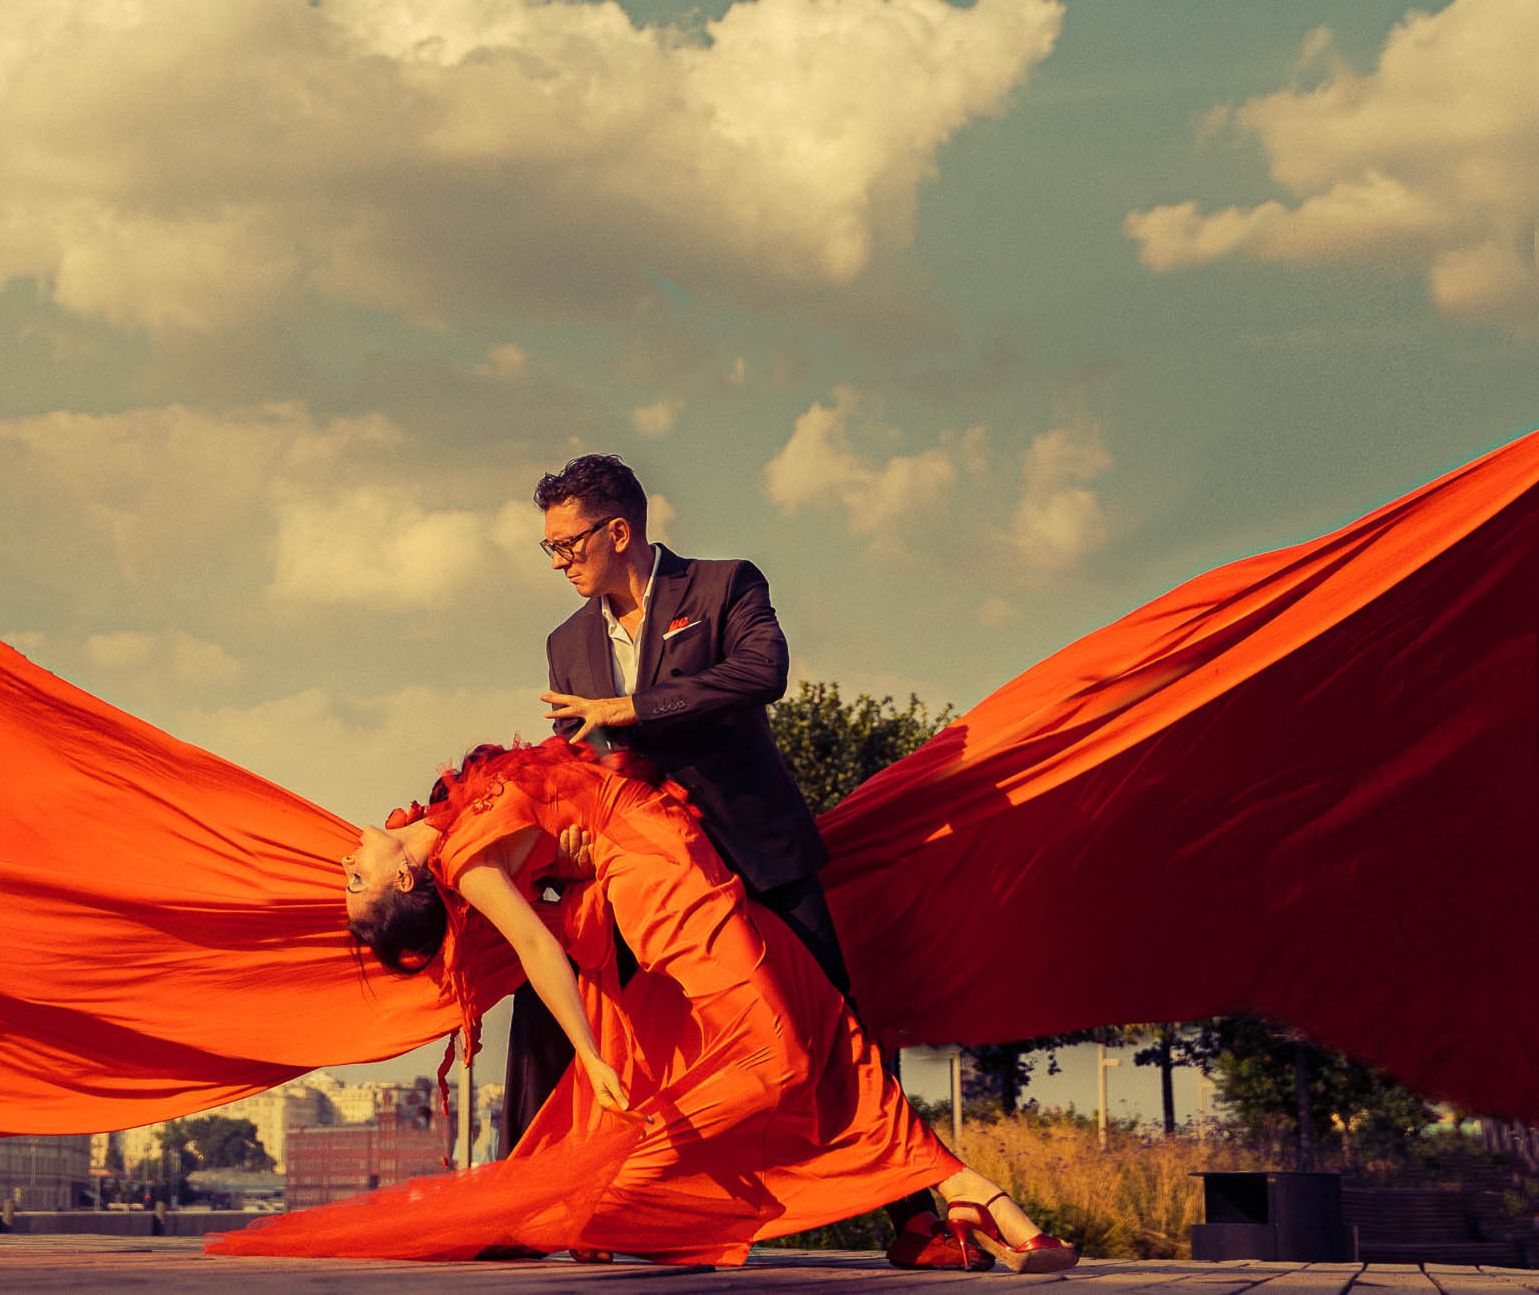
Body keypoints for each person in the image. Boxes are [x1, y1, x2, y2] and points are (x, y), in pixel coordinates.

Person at [213, 739, 1075, 1269]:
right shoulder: (464, 862)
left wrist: (569, 843)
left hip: (670, 846)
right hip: (656, 877)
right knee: (780, 1055)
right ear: (407, 880)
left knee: (825, 1030)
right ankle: (606, 1188)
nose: (345, 865)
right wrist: (591, 1053)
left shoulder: (446, 810)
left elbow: (557, 816)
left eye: (346, 879)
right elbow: (537, 945)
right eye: (356, 882)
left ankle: (970, 1191)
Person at [515, 454, 960, 1266]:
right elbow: (576, 755)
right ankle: (535, 1203)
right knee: (552, 994)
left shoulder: (724, 586)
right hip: (645, 870)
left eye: (568, 543)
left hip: (756, 850)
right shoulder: (565, 641)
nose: (558, 562)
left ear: (619, 531)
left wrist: (632, 706)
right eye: (550, 547)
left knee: (837, 1025)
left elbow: (763, 672)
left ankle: (916, 1217)